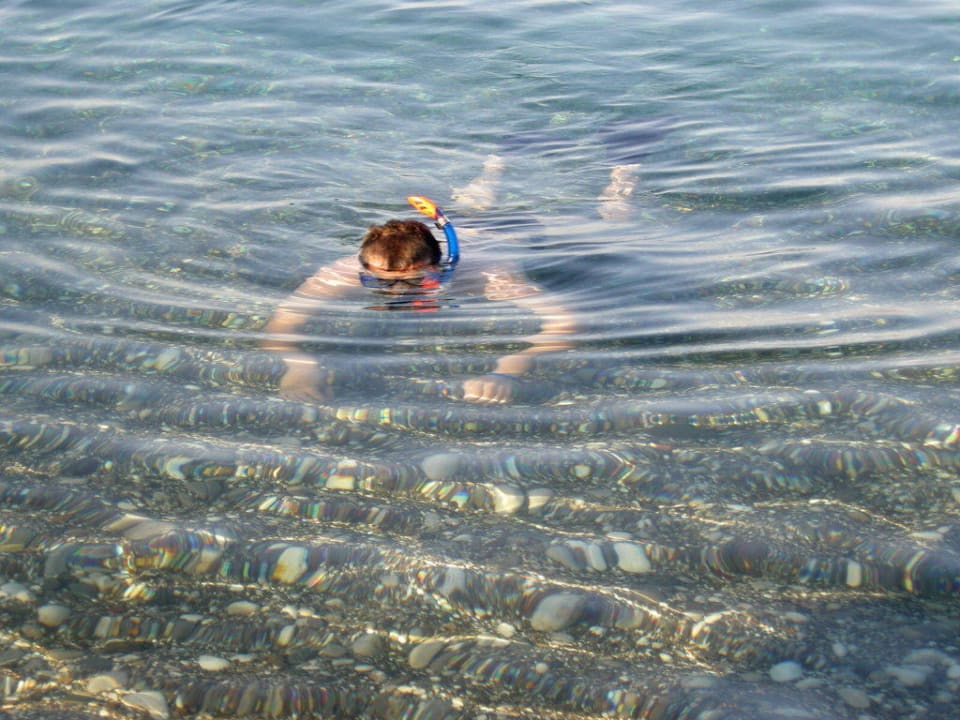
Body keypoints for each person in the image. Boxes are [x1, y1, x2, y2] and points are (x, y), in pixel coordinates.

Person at [262, 170, 575, 405]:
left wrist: (506, 371)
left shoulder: (485, 275)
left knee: (611, 215)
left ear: (439, 268)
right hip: (467, 226)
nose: (399, 292)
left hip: (514, 230)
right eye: (382, 282)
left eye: (415, 281)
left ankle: (623, 172)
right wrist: (300, 366)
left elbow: (564, 322)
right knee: (475, 199)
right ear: (365, 269)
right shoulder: (342, 273)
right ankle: (494, 166)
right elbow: (281, 324)